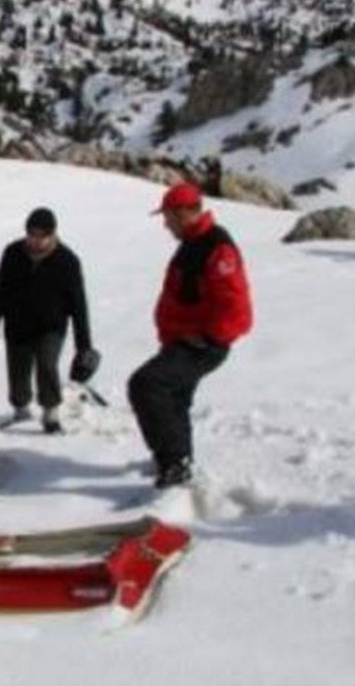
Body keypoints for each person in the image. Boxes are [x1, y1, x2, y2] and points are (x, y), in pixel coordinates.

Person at [129, 182, 253, 489]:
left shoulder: (216, 246)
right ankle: (178, 463)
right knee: (174, 400)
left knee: (147, 384)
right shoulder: (194, 242)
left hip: (201, 344)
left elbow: (235, 304)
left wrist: (211, 337)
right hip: (182, 340)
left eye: (168, 216)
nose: (165, 223)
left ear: (185, 213)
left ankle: (173, 464)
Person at [0, 207, 98, 434]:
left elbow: (78, 305)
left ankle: (51, 412)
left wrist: (84, 345)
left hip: (51, 326)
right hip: (17, 324)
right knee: (18, 371)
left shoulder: (67, 261)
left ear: (53, 234)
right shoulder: (13, 253)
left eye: (41, 236)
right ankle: (21, 407)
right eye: (31, 235)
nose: (35, 241)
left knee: (47, 364)